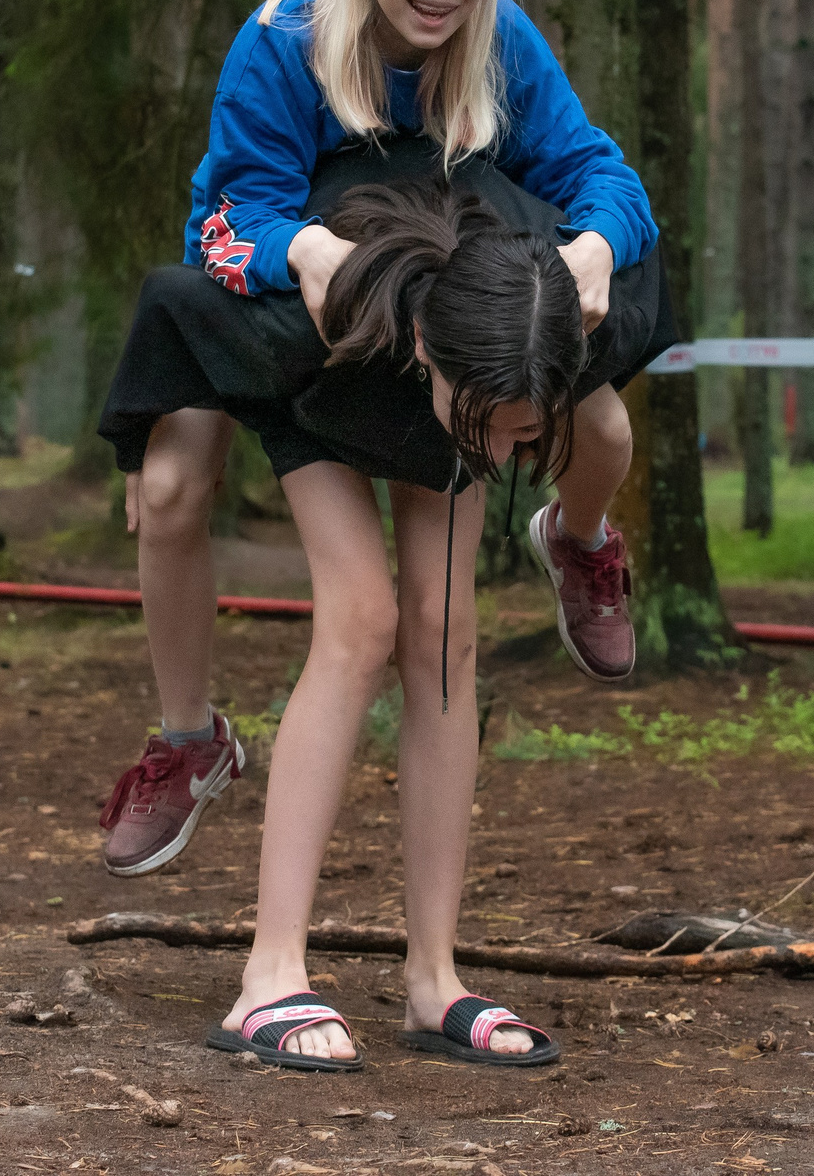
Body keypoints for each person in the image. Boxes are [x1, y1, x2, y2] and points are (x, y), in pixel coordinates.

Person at [92, 0, 662, 880]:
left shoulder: (501, 42)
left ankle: (577, 536)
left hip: (432, 304)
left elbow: (604, 175)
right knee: (171, 486)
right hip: (269, 289)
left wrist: (593, 247)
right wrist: (301, 246)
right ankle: (188, 736)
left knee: (607, 424)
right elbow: (228, 217)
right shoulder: (284, 38)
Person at [199, 180, 581, 1069]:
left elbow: (608, 191)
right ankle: (270, 971)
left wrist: (601, 243)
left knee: (445, 631)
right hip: (314, 376)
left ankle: (433, 978)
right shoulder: (324, 324)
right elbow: (196, 273)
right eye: (499, 432)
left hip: (456, 365)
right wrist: (154, 437)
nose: (504, 457)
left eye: (522, 440)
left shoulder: (516, 332)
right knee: (361, 618)